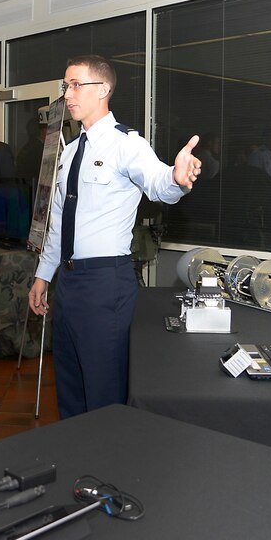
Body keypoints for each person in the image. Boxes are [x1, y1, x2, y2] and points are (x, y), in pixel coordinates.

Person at [27, 55, 201, 419]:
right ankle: (78, 467)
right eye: (66, 86)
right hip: (70, 284)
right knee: (70, 385)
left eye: (76, 85)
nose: (68, 94)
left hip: (106, 283)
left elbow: (158, 184)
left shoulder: (127, 144)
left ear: (103, 89)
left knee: (104, 390)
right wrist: (44, 275)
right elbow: (59, 220)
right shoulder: (71, 151)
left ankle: (109, 470)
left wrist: (177, 178)